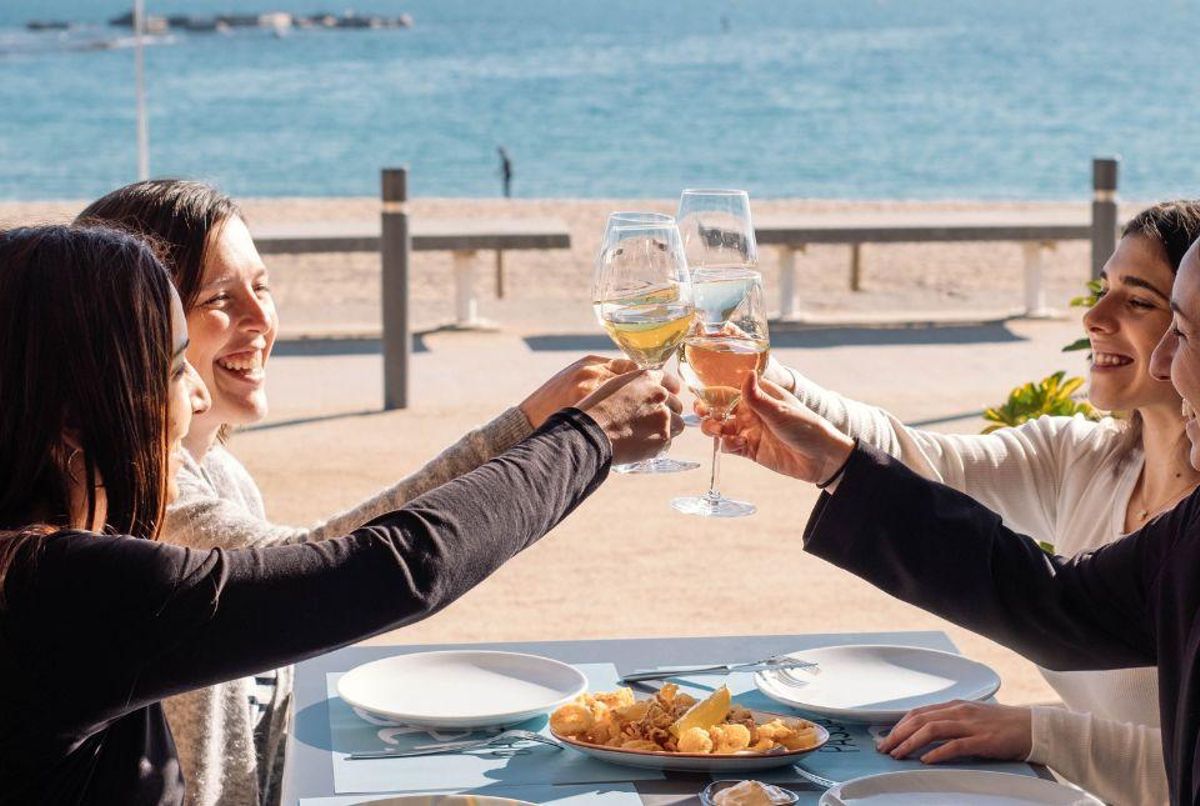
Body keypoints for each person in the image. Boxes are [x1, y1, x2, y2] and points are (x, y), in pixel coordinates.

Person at [0, 224, 681, 804]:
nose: (199, 399)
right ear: (71, 417)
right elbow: (388, 568)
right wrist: (586, 440)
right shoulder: (61, 590)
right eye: (176, 369)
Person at [726, 201, 1200, 804]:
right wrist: (781, 395)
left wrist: (1040, 733)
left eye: (1142, 304)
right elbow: (946, 486)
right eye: (1101, 289)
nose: (1094, 317)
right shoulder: (1086, 460)